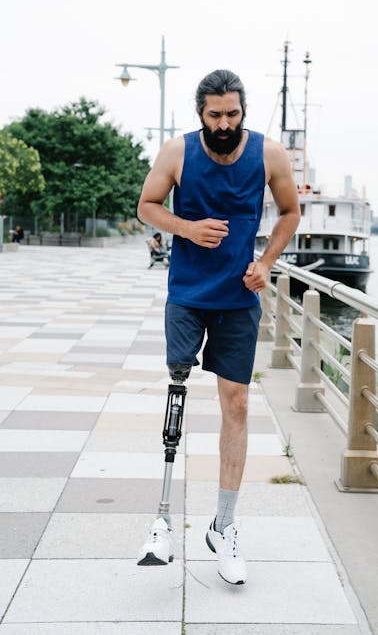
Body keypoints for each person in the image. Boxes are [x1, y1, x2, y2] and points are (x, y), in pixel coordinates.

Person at [136, 69, 300, 584]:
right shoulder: (177, 153)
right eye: (215, 115)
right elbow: (146, 206)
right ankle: (161, 521)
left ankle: (223, 526)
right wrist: (186, 227)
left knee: (238, 402)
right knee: (177, 393)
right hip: (187, 294)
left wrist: (268, 261)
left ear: (243, 111)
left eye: (232, 114)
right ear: (200, 113)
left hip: (239, 297)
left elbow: (291, 212)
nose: (224, 124)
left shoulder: (270, 155)